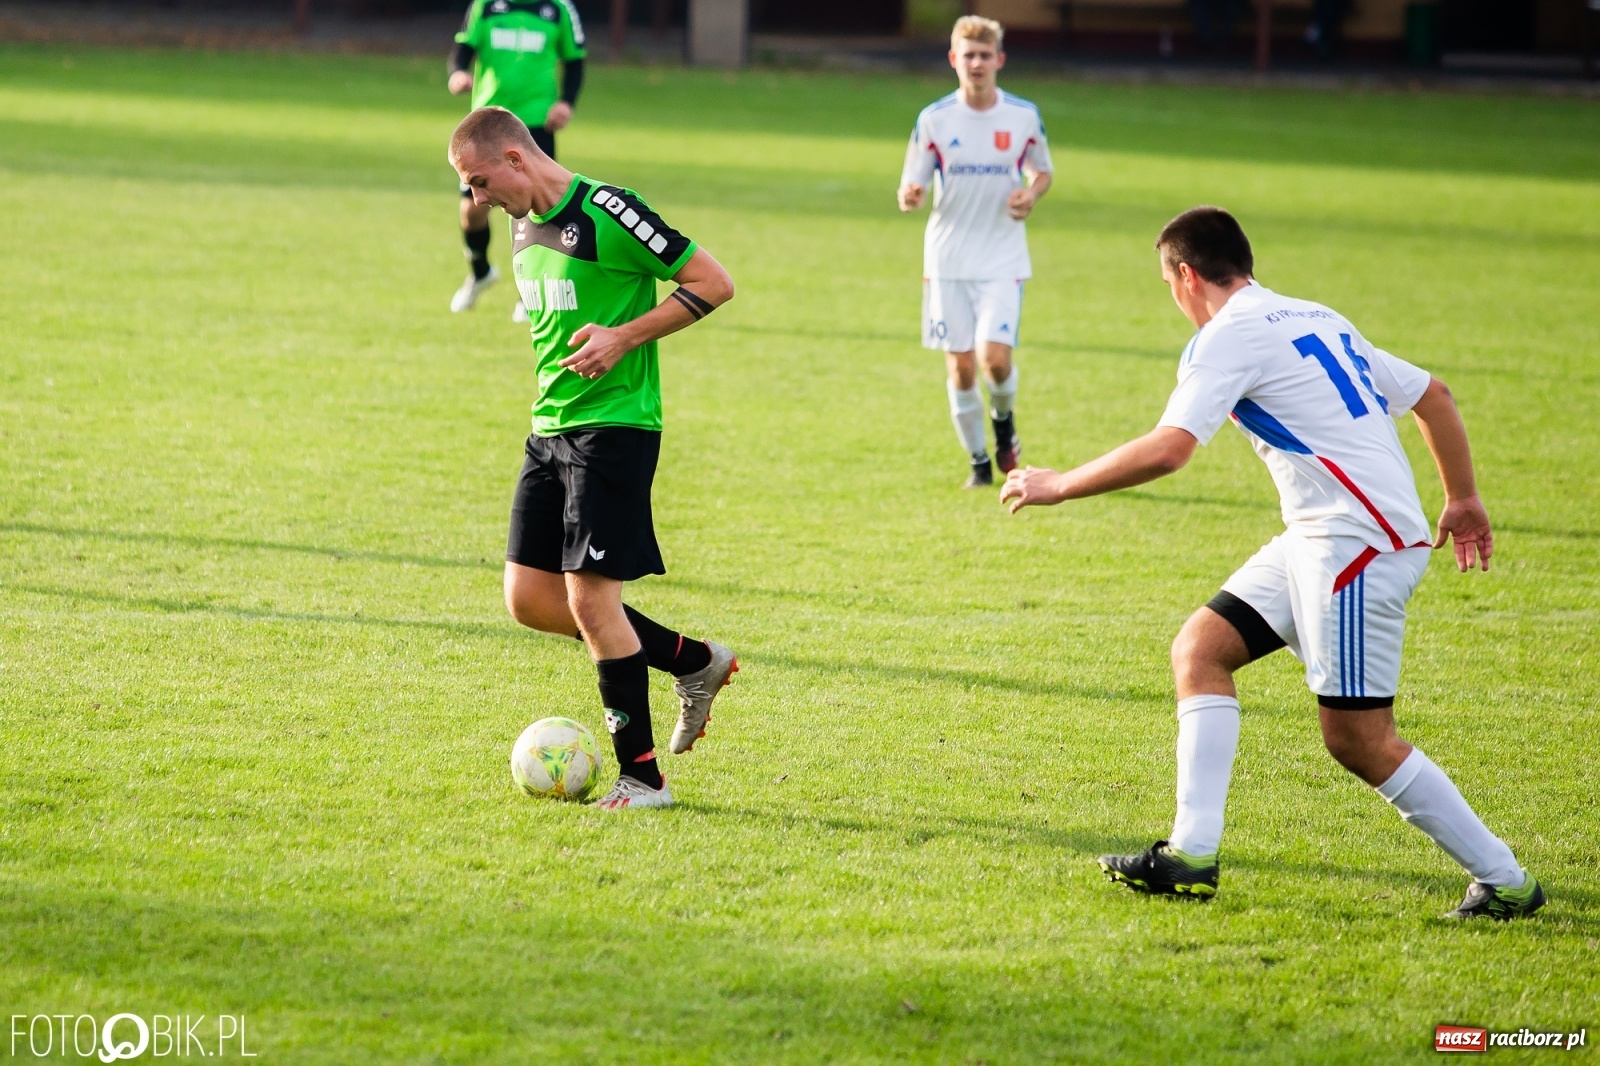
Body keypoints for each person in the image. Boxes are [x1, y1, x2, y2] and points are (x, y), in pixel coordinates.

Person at [1000, 207, 1544, 920]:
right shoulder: (1313, 314)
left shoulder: (1224, 338)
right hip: (1321, 537)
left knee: (1358, 739)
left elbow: (1171, 447)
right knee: (1201, 648)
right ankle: (1192, 855)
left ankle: (1506, 881)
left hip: (1357, 547)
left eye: (1168, 283)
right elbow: (1432, 396)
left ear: (1185, 276)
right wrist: (1463, 497)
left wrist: (1060, 483)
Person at [449, 106, 739, 810]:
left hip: (614, 428)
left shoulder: (610, 210)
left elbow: (712, 281)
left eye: (481, 181)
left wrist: (624, 337)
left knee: (589, 599)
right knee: (531, 600)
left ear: (516, 158)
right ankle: (694, 661)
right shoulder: (521, 225)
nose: (477, 200)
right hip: (549, 430)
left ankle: (643, 781)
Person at [898, 15, 1053, 489]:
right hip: (947, 261)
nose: (977, 63)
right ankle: (979, 463)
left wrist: (1032, 193)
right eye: (969, 55)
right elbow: (913, 180)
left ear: (999, 60)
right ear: (954, 60)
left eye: (986, 55)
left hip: (1003, 257)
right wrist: (911, 195)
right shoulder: (935, 119)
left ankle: (1004, 425)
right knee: (962, 367)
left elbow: (1041, 171)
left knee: (995, 360)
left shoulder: (1023, 116)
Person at [448, 0, 587, 320]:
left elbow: (576, 60)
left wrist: (566, 103)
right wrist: (457, 73)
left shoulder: (559, 9)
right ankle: (480, 271)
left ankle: (532, 291)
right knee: (471, 209)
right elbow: (464, 47)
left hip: (536, 124)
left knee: (535, 207)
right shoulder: (485, 6)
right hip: (487, 124)